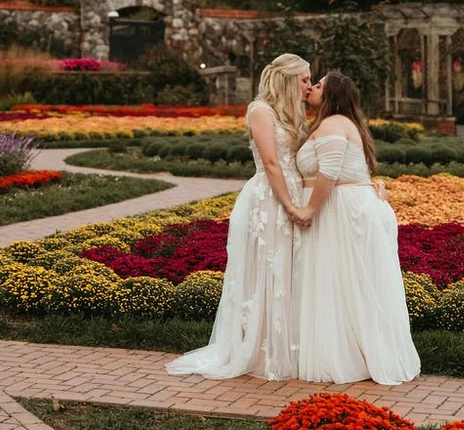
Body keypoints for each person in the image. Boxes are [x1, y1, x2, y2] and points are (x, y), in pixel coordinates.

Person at [166, 53, 311, 380]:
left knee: (289, 270)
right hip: (269, 200)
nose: (308, 85)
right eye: (304, 79)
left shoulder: (293, 114)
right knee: (266, 269)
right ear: (288, 79)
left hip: (293, 194)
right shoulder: (260, 111)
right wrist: (289, 205)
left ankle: (289, 346)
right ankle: (260, 350)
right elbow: (271, 163)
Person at [292, 71, 421, 385]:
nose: (312, 88)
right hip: (344, 206)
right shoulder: (337, 123)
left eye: (318, 85)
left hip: (340, 210)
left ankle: (346, 357)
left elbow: (329, 174)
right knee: (343, 283)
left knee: (345, 282)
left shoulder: (334, 124)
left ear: (331, 94)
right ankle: (347, 350)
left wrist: (309, 209)